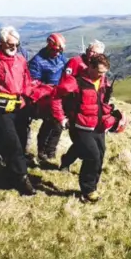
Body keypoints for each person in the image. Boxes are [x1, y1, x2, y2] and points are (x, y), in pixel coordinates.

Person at [51, 54, 125, 203]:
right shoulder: (75, 82)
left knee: (101, 155)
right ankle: (88, 190)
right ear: (90, 67)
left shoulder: (103, 81)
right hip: (80, 126)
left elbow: (100, 101)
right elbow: (56, 97)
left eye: (104, 72)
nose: (102, 75)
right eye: (99, 72)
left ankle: (93, 185)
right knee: (93, 156)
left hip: (98, 125)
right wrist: (61, 118)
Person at [0, 25, 36, 195]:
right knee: (13, 144)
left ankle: (9, 173)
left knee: (21, 141)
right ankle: (23, 179)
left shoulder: (21, 60)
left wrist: (27, 99)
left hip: (20, 108)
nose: (13, 48)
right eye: (10, 44)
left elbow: (26, 81)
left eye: (16, 44)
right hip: (0, 109)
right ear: (2, 42)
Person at [58, 39, 114, 171]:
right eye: (92, 52)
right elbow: (65, 86)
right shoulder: (76, 63)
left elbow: (101, 88)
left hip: (95, 113)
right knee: (84, 145)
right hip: (78, 112)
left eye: (96, 53)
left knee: (86, 146)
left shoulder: (100, 69)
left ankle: (66, 161)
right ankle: (73, 167)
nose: (93, 55)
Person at [28, 33, 68, 161]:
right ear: (50, 47)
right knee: (49, 123)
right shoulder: (38, 61)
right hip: (45, 97)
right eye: (56, 50)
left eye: (60, 51)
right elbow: (33, 82)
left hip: (59, 95)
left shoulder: (61, 57)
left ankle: (51, 151)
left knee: (58, 125)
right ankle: (42, 151)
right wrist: (47, 87)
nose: (58, 53)